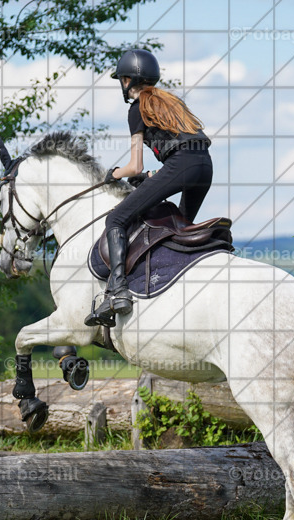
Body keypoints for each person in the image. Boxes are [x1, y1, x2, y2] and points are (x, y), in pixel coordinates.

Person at [85, 48, 213, 328]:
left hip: (180, 166)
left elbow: (134, 167)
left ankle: (118, 289)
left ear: (128, 79)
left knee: (116, 219)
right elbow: (185, 151)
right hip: (205, 167)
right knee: (181, 227)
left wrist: (111, 174)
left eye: (122, 79)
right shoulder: (170, 102)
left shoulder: (137, 108)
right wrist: (156, 175)